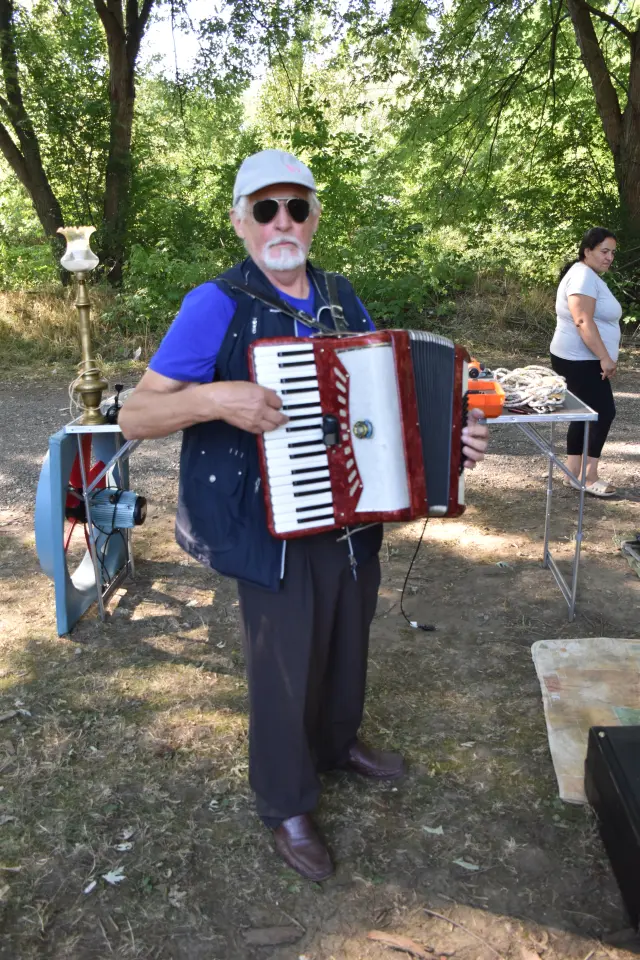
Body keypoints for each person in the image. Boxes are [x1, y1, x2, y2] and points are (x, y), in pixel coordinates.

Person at [119, 149, 489, 881]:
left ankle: (337, 743)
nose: (281, 221)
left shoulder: (341, 294)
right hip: (266, 523)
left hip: (352, 513)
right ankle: (286, 801)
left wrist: (453, 439)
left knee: (349, 639)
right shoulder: (214, 304)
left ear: (315, 217)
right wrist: (215, 398)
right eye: (264, 209)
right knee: (284, 664)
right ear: (240, 222)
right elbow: (134, 413)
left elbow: (386, 401)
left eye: (296, 207)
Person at [550, 227, 622, 497]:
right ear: (587, 250)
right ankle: (588, 477)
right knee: (603, 413)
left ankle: (573, 473)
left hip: (579, 358)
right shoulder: (582, 277)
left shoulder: (587, 275)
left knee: (584, 413)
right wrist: (604, 357)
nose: (609, 257)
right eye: (604, 251)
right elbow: (582, 320)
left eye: (612, 253)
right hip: (581, 359)